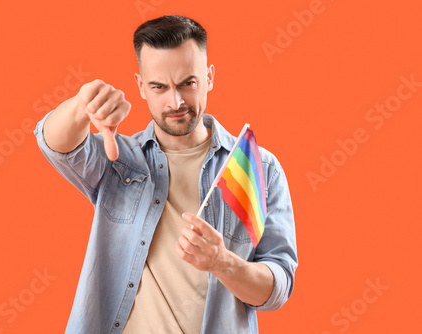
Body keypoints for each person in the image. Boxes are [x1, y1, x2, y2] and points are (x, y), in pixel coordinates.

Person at [34, 15, 297, 334]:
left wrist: (222, 263)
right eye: (159, 87)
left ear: (209, 77)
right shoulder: (120, 159)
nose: (176, 101)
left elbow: (278, 288)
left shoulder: (257, 168)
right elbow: (55, 145)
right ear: (141, 87)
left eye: (188, 83)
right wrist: (81, 106)